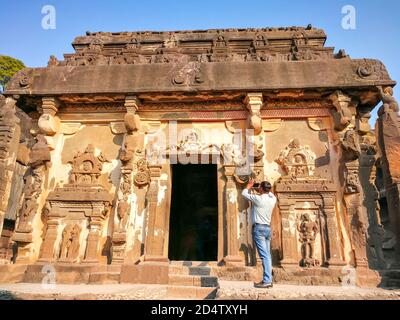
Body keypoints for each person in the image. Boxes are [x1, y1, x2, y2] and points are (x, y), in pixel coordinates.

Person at [242, 179, 277, 288]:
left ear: (261, 189)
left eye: (260, 187)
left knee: (264, 256)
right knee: (267, 255)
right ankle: (268, 280)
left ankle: (267, 281)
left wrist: (249, 186)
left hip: (259, 229)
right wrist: (260, 188)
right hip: (267, 228)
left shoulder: (258, 199)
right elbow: (269, 193)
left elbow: (244, 193)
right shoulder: (273, 199)